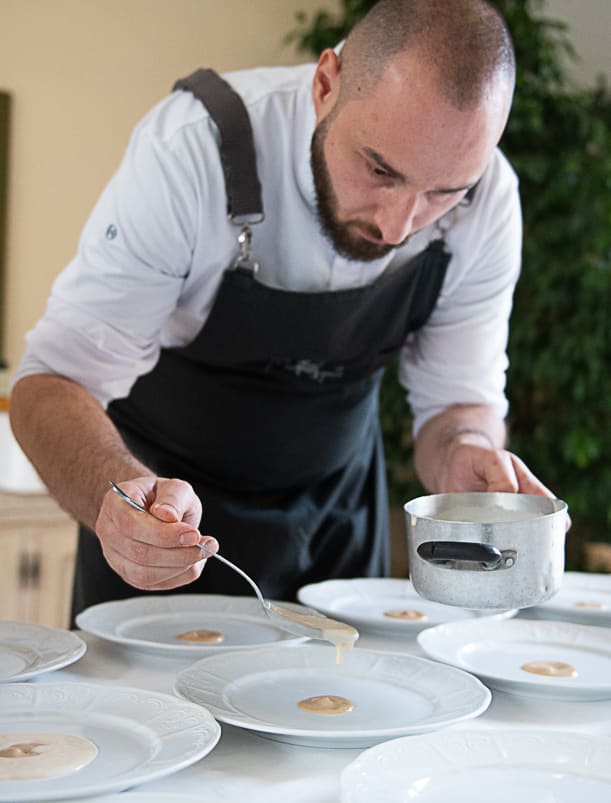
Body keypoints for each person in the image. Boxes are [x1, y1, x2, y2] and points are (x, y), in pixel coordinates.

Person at [10, 0, 558, 621]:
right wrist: (118, 497)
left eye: (443, 193)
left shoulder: (490, 203)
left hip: (339, 529)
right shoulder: (191, 151)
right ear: (326, 84)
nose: (397, 224)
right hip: (164, 526)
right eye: (379, 169)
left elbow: (457, 405)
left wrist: (466, 449)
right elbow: (49, 384)